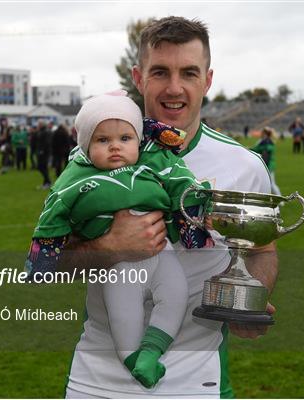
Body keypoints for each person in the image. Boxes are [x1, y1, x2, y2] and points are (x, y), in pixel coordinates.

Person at [60, 16, 277, 398]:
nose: (174, 88)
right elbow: (49, 264)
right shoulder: (86, 160)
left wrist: (251, 296)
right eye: (160, 72)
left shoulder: (242, 166)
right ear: (139, 78)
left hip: (197, 381)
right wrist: (108, 247)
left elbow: (261, 250)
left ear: (207, 80)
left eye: (189, 73)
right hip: (97, 380)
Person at [27, 92, 214, 389]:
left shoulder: (154, 162)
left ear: (138, 141)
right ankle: (131, 358)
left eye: (125, 138)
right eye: (103, 140)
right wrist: (43, 257)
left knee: (176, 295)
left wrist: (195, 215)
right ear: (86, 146)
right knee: (123, 312)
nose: (115, 146)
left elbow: (181, 183)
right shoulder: (75, 178)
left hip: (162, 252)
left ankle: (151, 352)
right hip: (120, 265)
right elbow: (54, 213)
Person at [251, 126, 281, 195]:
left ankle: (280, 198)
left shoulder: (267, 142)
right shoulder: (264, 141)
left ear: (265, 133)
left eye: (262, 132)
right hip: (267, 164)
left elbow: (262, 150)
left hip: (268, 165)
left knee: (272, 184)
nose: (261, 133)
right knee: (263, 183)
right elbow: (258, 148)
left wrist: (251, 149)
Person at [35, 120, 51, 189]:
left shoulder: (45, 132)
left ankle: (48, 182)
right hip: (41, 151)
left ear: (42, 125)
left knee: (41, 167)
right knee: (42, 167)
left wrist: (42, 150)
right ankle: (45, 182)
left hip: (43, 153)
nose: (37, 125)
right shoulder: (42, 131)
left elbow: (46, 142)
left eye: (39, 124)